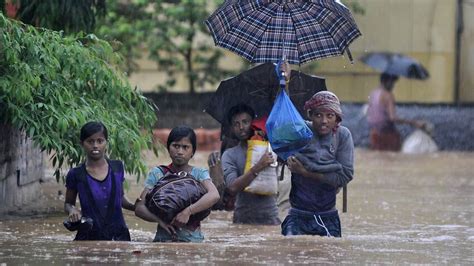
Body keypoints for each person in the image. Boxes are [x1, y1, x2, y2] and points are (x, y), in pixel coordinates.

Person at [282, 91, 354, 237]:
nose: (324, 121)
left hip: (328, 215)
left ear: (337, 119)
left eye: (330, 116)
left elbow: (345, 175)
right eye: (318, 115)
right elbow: (280, 146)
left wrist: (305, 172)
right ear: (311, 115)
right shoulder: (300, 131)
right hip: (298, 214)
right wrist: (284, 82)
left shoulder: (342, 135)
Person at [135, 126, 220, 242]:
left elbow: (214, 195)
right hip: (163, 239)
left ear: (192, 152)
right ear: (168, 148)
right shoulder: (158, 173)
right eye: (176, 146)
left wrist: (188, 212)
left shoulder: (199, 174)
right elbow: (139, 207)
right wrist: (160, 221)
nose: (180, 152)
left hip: (193, 240)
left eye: (185, 147)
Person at [64, 121, 135, 241]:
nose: (95, 145)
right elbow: (67, 204)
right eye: (90, 141)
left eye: (100, 141)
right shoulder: (76, 174)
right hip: (88, 236)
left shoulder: (117, 167)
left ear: (106, 143)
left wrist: (136, 206)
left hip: (119, 235)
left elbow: (120, 198)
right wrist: (72, 210)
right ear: (82, 144)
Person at [221, 104, 280, 225]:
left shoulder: (270, 148)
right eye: (236, 124)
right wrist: (258, 166)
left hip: (271, 217)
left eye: (245, 122)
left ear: (253, 123)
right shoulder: (229, 155)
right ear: (232, 128)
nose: (241, 127)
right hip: (243, 219)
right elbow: (232, 188)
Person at [367, 73, 424, 151]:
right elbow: (392, 118)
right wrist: (413, 122)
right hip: (388, 135)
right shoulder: (388, 95)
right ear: (386, 81)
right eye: (392, 83)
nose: (393, 86)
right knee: (393, 159)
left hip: (374, 134)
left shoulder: (373, 94)